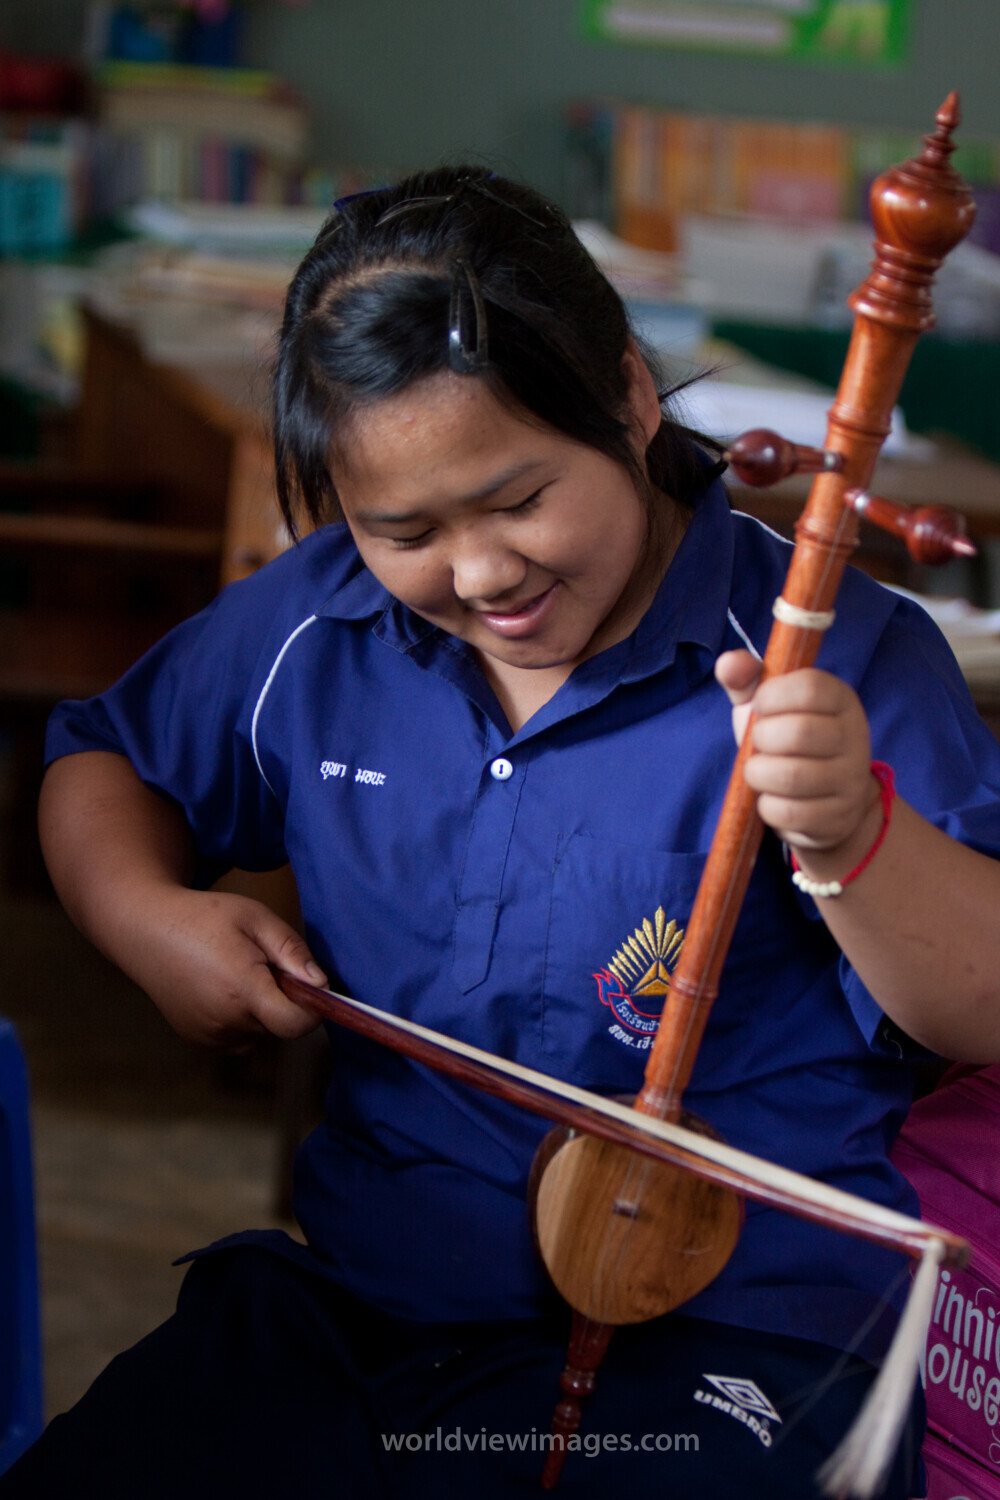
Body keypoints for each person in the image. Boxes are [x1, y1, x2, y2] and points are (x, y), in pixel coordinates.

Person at [5, 165, 1000, 1499]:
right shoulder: (321, 624)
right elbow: (105, 760)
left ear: (632, 401)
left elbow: (979, 1009)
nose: (478, 572)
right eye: (404, 528)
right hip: (383, 1303)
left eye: (521, 498)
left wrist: (855, 833)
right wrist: (149, 919)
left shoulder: (849, 653)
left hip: (735, 1336)